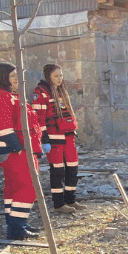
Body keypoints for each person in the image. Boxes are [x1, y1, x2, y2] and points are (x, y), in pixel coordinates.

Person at [0, 63, 44, 240]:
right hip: (14, 151)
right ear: (3, 77)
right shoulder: (0, 97)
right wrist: (19, 148)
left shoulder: (6, 95)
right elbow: (3, 127)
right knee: (27, 187)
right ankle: (17, 228)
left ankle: (16, 225)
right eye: (12, 77)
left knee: (14, 188)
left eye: (17, 77)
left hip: (15, 150)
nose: (16, 80)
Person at [33, 64, 83, 213]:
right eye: (56, 76)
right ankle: (59, 204)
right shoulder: (40, 93)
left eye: (61, 75)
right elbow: (38, 119)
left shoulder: (61, 91)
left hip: (68, 135)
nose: (59, 79)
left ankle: (70, 200)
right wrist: (44, 139)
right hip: (53, 137)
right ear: (48, 77)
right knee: (57, 171)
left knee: (73, 168)